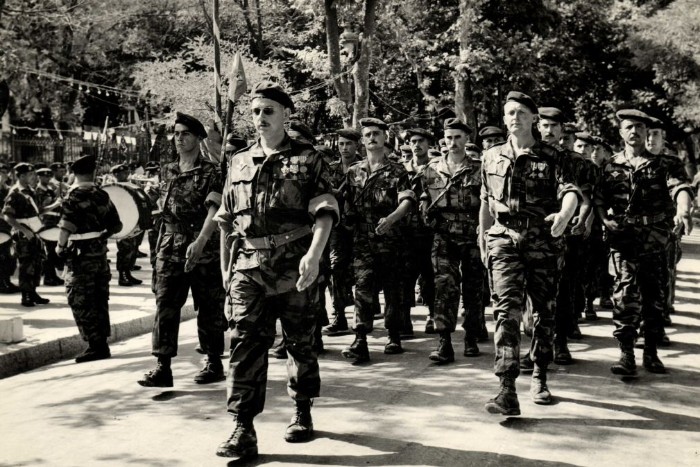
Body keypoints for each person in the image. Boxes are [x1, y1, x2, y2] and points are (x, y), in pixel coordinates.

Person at [214, 82, 338, 460]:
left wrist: (315, 256)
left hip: (295, 263)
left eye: (268, 111)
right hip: (248, 268)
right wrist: (225, 273)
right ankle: (243, 426)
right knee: (244, 344)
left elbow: (326, 213)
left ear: (286, 115)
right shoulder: (237, 161)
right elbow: (226, 221)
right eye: (255, 112)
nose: (260, 118)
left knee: (300, 342)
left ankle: (301, 410)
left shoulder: (309, 159)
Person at [479, 92, 581, 415]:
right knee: (505, 311)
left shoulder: (553, 156)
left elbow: (570, 193)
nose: (514, 118)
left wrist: (564, 216)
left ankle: (539, 373)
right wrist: (483, 237)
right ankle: (506, 387)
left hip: (542, 240)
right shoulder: (491, 156)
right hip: (504, 238)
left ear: (533, 119)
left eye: (521, 113)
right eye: (510, 112)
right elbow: (485, 200)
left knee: (543, 312)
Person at [594, 109, 694, 376]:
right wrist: (605, 220)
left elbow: (680, 188)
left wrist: (684, 208)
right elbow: (599, 199)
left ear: (646, 132)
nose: (634, 132)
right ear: (621, 132)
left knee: (654, 297)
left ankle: (651, 352)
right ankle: (626, 354)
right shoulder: (610, 166)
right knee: (624, 296)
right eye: (629, 127)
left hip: (655, 240)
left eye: (639, 127)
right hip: (623, 240)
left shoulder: (666, 164)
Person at [137, 112, 228, 388]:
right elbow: (163, 215)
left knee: (209, 306)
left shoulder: (212, 172)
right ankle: (162, 366)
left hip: (202, 248)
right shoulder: (167, 171)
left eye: (185, 133)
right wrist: (156, 255)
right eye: (176, 133)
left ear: (199, 138)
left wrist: (200, 241)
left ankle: (214, 361)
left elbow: (215, 210)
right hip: (169, 247)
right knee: (165, 305)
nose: (179, 138)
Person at [340, 117, 416, 364]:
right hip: (362, 241)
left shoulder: (397, 171)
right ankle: (360, 339)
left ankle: (394, 335)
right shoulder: (354, 172)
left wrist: (392, 219)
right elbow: (346, 205)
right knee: (362, 288)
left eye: (377, 134)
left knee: (393, 290)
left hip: (391, 240)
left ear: (385, 138)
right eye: (368, 134)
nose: (372, 138)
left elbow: (407, 201)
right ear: (363, 141)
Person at [417, 118, 485, 362]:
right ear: (442, 140)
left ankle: (471, 337)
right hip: (443, 235)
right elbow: (423, 195)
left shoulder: (480, 167)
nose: (453, 142)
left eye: (458, 137)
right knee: (444, 286)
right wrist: (425, 211)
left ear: (467, 139)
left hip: (473, 234)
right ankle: (444, 341)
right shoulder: (431, 169)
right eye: (449, 138)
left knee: (473, 288)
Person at [55, 154, 123, 363]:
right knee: (99, 298)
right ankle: (101, 342)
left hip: (79, 256)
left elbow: (67, 226)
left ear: (73, 173)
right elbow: (117, 225)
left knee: (80, 299)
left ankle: (96, 345)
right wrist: (101, 235)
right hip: (99, 254)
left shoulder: (73, 196)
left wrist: (59, 247)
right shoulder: (102, 195)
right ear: (93, 173)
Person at [323, 128, 361, 336]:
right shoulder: (331, 169)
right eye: (341, 144)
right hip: (337, 227)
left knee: (362, 272)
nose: (344, 148)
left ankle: (363, 315)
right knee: (335, 268)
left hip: (361, 226)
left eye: (349, 144)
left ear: (357, 145)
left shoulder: (365, 167)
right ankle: (339, 316)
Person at [402, 127, 436, 336]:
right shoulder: (400, 169)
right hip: (405, 232)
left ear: (429, 144)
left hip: (429, 231)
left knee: (430, 275)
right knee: (404, 277)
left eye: (421, 141)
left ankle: (433, 315)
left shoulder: (437, 168)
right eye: (413, 141)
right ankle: (404, 318)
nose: (416, 145)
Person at [2, 163, 50, 307]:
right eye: (30, 175)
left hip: (34, 232)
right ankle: (26, 295)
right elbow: (8, 217)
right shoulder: (15, 192)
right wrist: (25, 231)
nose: (33, 177)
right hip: (23, 234)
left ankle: (33, 292)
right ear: (21, 176)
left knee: (36, 264)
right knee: (26, 265)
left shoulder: (30, 191)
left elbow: (36, 211)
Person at [108, 164, 143, 287]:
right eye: (122, 173)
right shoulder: (114, 188)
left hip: (133, 222)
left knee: (132, 249)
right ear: (115, 175)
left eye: (126, 172)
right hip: (123, 223)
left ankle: (128, 273)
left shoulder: (132, 185)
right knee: (124, 250)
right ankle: (122, 275)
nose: (126, 174)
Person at [35, 167, 64, 286]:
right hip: (45, 223)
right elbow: (40, 209)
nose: (47, 178)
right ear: (39, 177)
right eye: (44, 176)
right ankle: (48, 277)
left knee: (52, 251)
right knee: (48, 251)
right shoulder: (38, 191)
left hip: (54, 223)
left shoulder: (49, 189)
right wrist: (56, 203)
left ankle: (52, 275)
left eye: (48, 176)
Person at [0, 162, 19, 294]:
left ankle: (6, 280)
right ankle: (1, 283)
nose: (2, 175)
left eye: (4, 173)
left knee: (9, 256)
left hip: (7, 226)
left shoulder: (8, 190)